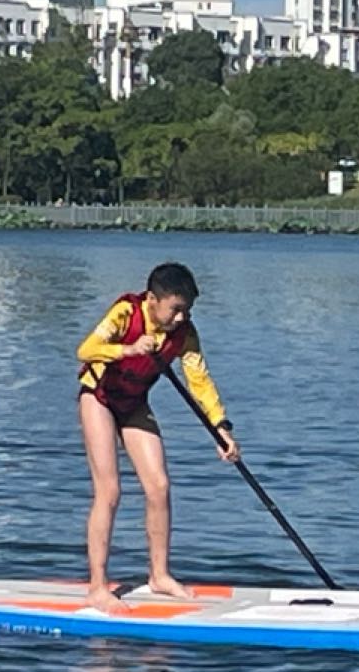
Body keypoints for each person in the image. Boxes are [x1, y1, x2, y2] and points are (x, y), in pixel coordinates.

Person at [76, 262, 239, 613]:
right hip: (99, 399)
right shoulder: (126, 313)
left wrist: (220, 428)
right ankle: (97, 587)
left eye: (187, 310)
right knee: (110, 490)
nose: (181, 318)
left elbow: (200, 381)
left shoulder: (185, 336)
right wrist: (128, 349)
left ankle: (160, 576)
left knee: (159, 486)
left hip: (134, 404)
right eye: (175, 309)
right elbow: (86, 350)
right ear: (152, 299)